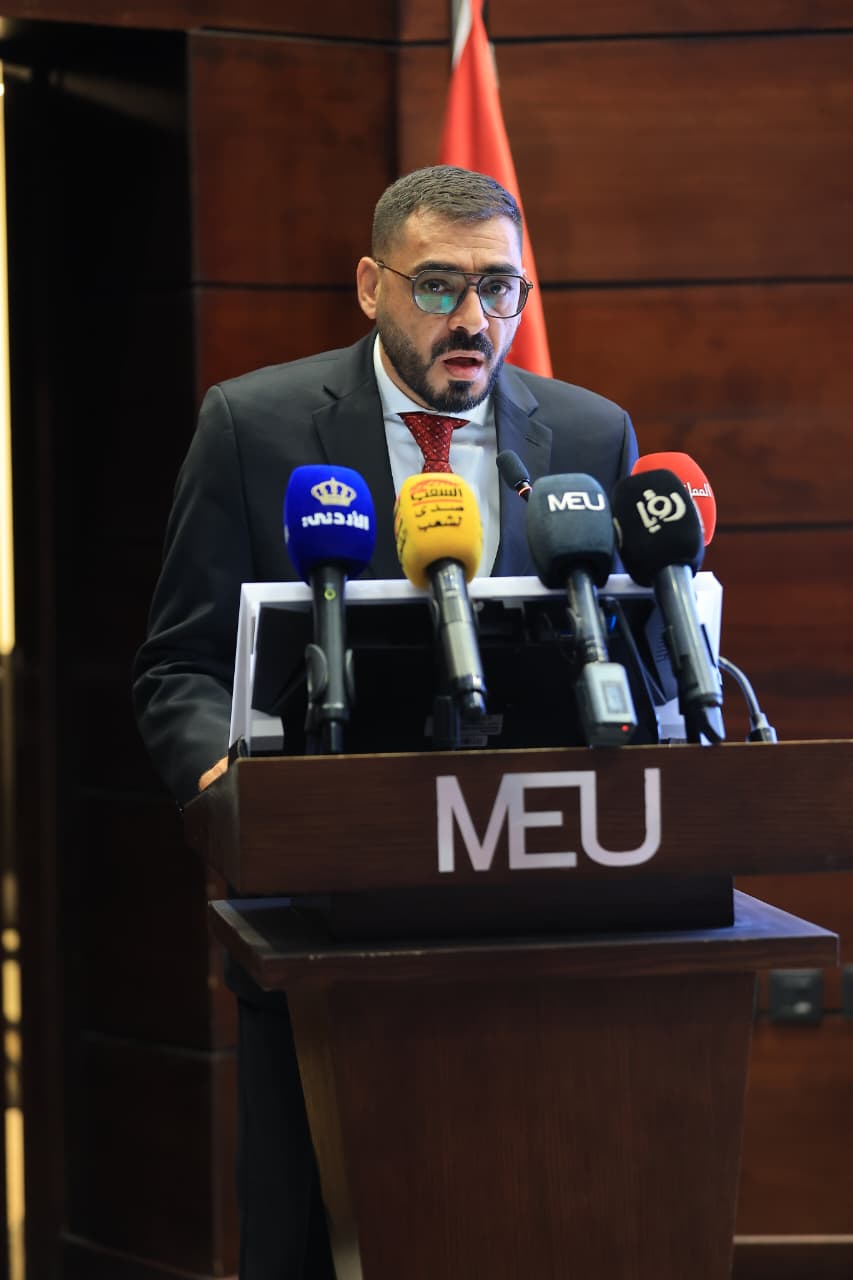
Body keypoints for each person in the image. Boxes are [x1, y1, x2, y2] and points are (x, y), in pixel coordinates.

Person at [133, 165, 638, 1279]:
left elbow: (625, 658)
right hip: (325, 919)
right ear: (372, 285)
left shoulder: (589, 435)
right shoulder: (254, 425)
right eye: (439, 284)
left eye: (499, 288)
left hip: (542, 925)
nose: (473, 319)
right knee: (315, 1242)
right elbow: (179, 665)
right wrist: (225, 789)